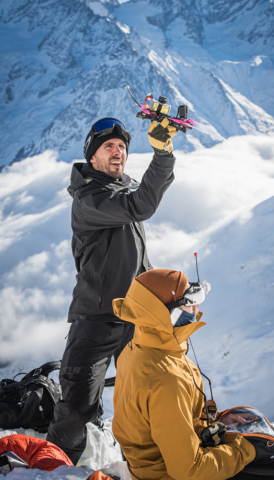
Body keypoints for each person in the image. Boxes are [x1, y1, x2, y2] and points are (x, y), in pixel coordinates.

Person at [46, 118, 178, 465]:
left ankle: (156, 464)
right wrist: (163, 154)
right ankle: (53, 468)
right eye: (109, 146)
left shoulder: (122, 191)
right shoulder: (91, 199)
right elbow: (142, 206)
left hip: (135, 315)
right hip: (97, 317)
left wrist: (163, 295)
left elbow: (135, 259)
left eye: (122, 146)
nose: (118, 150)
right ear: (92, 158)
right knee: (77, 407)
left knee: (152, 393)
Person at [112, 269, 256, 480]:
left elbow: (168, 418)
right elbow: (189, 470)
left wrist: (219, 421)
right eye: (189, 301)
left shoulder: (140, 348)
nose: (196, 308)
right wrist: (247, 449)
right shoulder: (166, 378)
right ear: (161, 312)